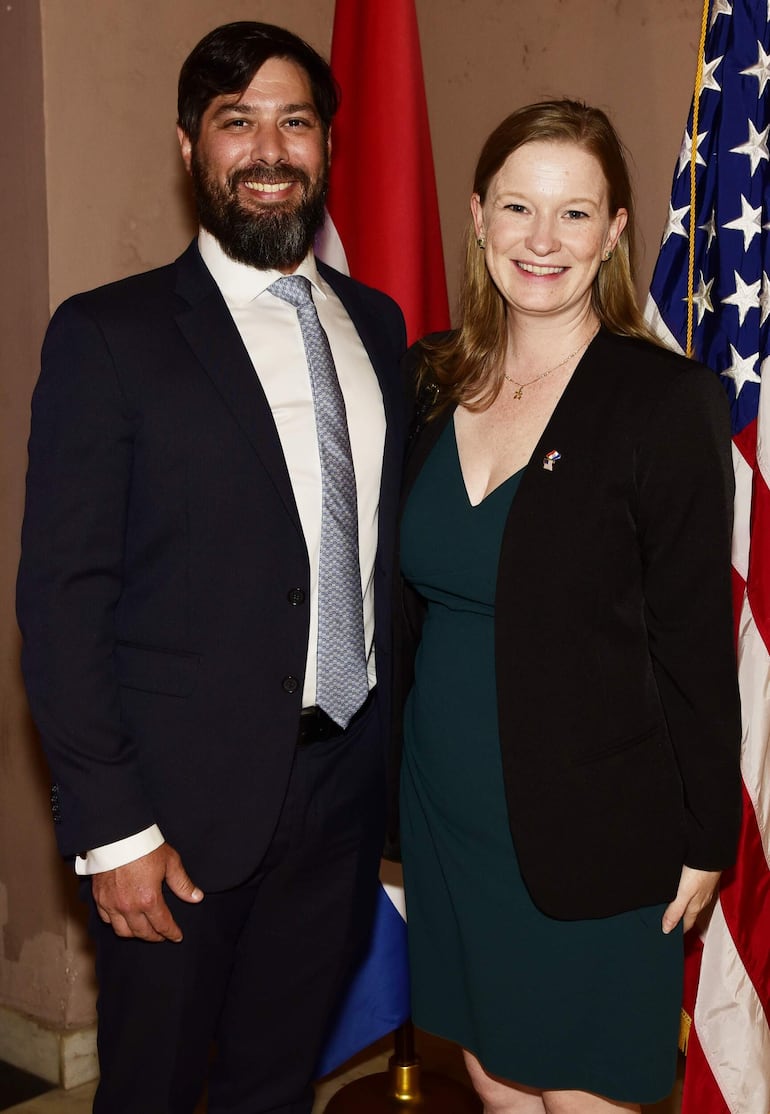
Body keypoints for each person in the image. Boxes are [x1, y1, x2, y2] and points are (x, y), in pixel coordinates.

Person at [17, 20, 405, 1114]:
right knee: (150, 1091)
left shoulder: (378, 326)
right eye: (239, 123)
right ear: (190, 145)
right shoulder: (109, 335)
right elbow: (62, 600)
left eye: (295, 122)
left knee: (275, 1088)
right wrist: (113, 829)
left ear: (325, 145)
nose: (269, 150)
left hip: (341, 792)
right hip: (175, 816)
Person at [398, 100, 741, 1114]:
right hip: (445, 817)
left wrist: (706, 834)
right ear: (478, 217)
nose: (541, 239)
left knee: (585, 1092)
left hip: (598, 831)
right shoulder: (426, 380)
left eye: (574, 213)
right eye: (518, 207)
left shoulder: (663, 401)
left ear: (614, 232)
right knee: (492, 1077)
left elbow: (692, 641)